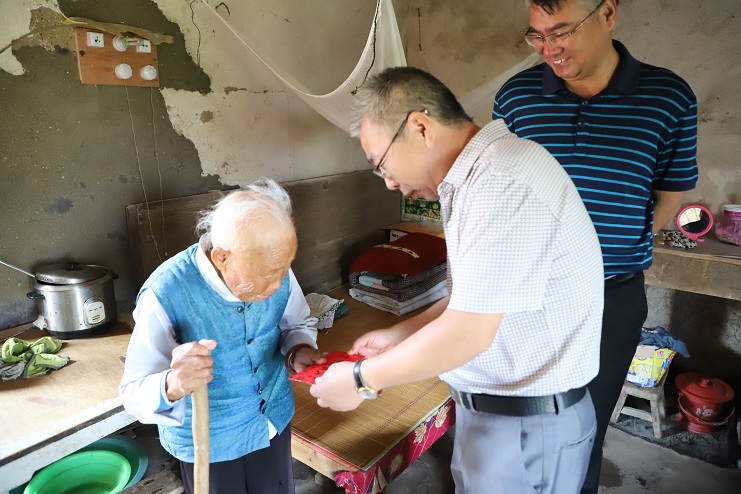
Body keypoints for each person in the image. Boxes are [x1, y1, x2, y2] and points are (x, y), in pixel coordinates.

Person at [310, 66, 604, 494]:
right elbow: (474, 298)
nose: (389, 182)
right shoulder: (476, 178)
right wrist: (400, 334)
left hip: (527, 426)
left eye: (382, 164)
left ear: (421, 127)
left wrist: (361, 379)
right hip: (496, 415)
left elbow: (469, 331)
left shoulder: (500, 180)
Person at [492, 1, 698, 492]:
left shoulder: (668, 97)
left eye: (562, 32)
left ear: (607, 14)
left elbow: (671, 192)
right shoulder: (517, 96)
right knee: (512, 420)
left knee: (583, 426)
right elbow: (500, 188)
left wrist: (616, 241)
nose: (549, 49)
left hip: (611, 297)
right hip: (526, 296)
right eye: (537, 35)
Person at [119, 178, 325, 494]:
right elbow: (133, 392)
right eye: (266, 276)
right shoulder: (166, 292)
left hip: (271, 421)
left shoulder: (272, 262)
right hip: (209, 444)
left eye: (284, 269)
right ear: (221, 258)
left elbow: (295, 323)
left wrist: (299, 349)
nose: (277, 284)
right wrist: (174, 383)